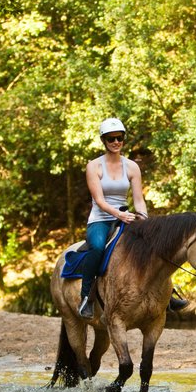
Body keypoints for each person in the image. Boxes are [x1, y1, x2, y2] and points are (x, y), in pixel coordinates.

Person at [78, 117, 148, 318]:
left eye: (120, 138)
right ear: (104, 141)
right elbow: (99, 200)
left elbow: (138, 199)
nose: (116, 142)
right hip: (101, 218)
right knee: (98, 247)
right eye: (111, 139)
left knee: (154, 244)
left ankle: (168, 295)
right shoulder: (94, 166)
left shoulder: (132, 167)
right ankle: (86, 298)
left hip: (126, 216)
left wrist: (144, 218)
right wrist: (119, 214)